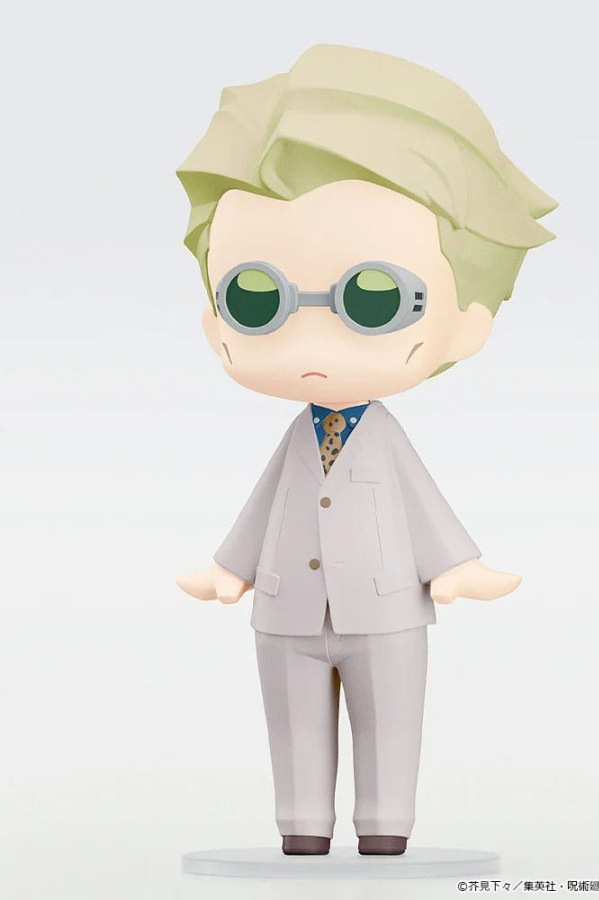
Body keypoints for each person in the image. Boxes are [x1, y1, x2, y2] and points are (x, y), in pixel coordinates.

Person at [175, 43, 557, 856]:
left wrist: (455, 566)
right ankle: (301, 825)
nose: (313, 343)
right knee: (291, 725)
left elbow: (423, 505)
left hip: (384, 611)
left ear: (465, 323)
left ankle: (385, 825)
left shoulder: (383, 440)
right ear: (216, 322)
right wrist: (228, 568)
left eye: (373, 299)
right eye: (255, 298)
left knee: (390, 722)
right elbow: (266, 505)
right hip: (286, 612)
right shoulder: (296, 440)